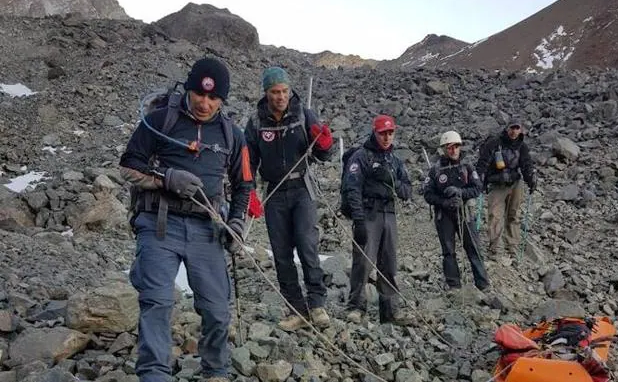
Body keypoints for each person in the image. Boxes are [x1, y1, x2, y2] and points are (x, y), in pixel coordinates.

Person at [119, 57, 252, 382]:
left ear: (222, 99)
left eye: (213, 97)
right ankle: (154, 375)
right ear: (189, 89)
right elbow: (128, 165)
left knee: (217, 311)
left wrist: (236, 224)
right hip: (159, 225)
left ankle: (216, 372)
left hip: (207, 229)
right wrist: (166, 178)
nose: (205, 103)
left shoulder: (232, 135)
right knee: (158, 302)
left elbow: (245, 184)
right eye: (199, 94)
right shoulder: (160, 120)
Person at [244, 66, 334, 331]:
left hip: (301, 189)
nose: (281, 96)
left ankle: (317, 305)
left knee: (307, 245)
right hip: (273, 192)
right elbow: (248, 159)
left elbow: (321, 155)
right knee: (282, 254)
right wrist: (248, 190)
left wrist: (324, 144)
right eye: (275, 92)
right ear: (266, 92)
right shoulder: (257, 122)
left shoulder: (304, 115)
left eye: (284, 91)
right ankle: (296, 309)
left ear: (289, 90)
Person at [342, 115, 413, 324]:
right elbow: (352, 188)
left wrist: (391, 180)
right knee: (363, 262)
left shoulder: (395, 161)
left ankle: (389, 310)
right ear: (374, 132)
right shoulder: (361, 157)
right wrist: (359, 219)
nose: (386, 137)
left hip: (389, 214)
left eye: (390, 133)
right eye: (383, 133)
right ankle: (356, 306)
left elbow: (408, 191)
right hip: (368, 212)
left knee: (388, 263)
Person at [423, 131, 489, 291]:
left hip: (465, 212)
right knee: (448, 251)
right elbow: (428, 194)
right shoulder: (435, 170)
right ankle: (454, 285)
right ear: (443, 149)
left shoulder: (467, 166)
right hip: (444, 214)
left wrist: (461, 193)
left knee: (473, 247)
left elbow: (477, 188)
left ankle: (482, 284)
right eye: (450, 147)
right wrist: (444, 202)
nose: (453, 150)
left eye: (456, 147)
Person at [475, 119, 536, 257]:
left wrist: (530, 179)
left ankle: (512, 245)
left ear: (521, 130)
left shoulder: (522, 146)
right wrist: (479, 180)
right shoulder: (494, 143)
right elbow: (483, 163)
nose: (514, 131)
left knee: (514, 214)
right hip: (497, 184)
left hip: (515, 183)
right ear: (507, 128)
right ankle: (494, 247)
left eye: (517, 128)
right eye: (512, 128)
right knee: (495, 215)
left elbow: (526, 165)